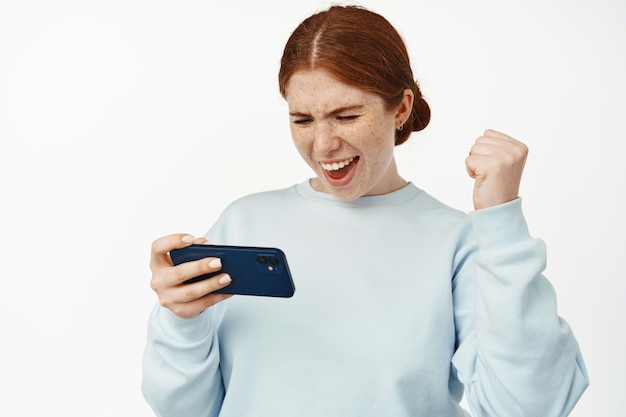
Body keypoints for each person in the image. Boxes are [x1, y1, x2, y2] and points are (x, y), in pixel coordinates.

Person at [142, 5, 588, 417]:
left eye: (347, 116)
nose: (323, 145)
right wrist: (181, 322)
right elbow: (186, 409)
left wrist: (502, 220)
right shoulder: (244, 223)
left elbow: (531, 406)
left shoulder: (456, 239)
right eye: (303, 120)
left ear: (401, 108)